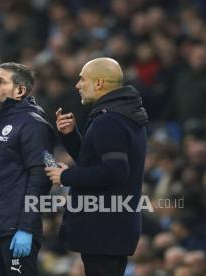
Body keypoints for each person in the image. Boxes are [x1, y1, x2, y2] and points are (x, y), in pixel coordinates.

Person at [45, 57, 149, 276]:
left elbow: (114, 171)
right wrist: (71, 136)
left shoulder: (109, 120)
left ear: (99, 83)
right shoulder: (123, 114)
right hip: (114, 226)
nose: (77, 85)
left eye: (82, 79)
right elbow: (96, 162)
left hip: (103, 228)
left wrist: (66, 177)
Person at [0, 62, 54, 275]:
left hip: (15, 230)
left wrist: (26, 228)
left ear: (19, 90)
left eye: (0, 81)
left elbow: (41, 177)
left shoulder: (32, 124)